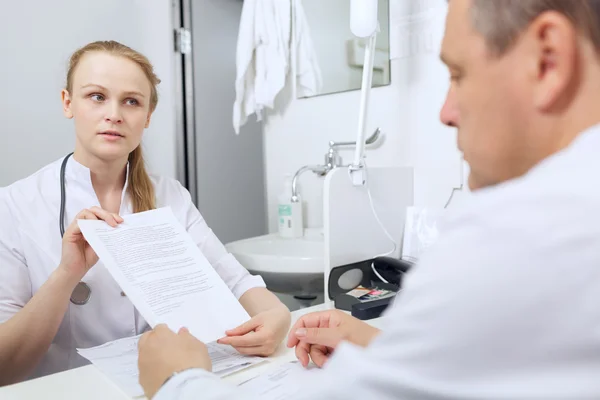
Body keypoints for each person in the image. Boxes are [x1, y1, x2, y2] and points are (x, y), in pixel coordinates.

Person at [137, 0, 600, 398]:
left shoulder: (520, 234)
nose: (445, 112)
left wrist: (179, 380)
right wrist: (384, 351)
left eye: (458, 74)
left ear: (548, 59)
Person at [0, 40, 291, 386]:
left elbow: (232, 278)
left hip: (165, 386)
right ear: (68, 103)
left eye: (132, 101)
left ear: (148, 115)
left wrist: (278, 315)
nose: (114, 114)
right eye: (96, 96)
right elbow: (6, 368)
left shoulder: (171, 196)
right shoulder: (16, 205)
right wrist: (66, 274)